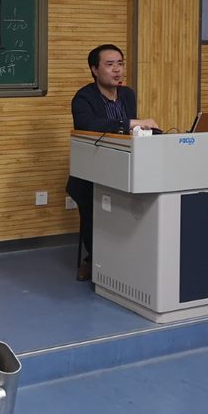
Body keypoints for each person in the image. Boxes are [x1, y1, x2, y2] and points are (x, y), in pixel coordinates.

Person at [66, 44, 159, 281]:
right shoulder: (83, 98)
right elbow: (88, 126)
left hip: (123, 166)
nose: (117, 70)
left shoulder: (127, 94)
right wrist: (130, 123)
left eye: (120, 64)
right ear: (95, 70)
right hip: (91, 171)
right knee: (92, 203)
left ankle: (124, 256)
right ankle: (93, 258)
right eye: (110, 65)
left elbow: (130, 134)